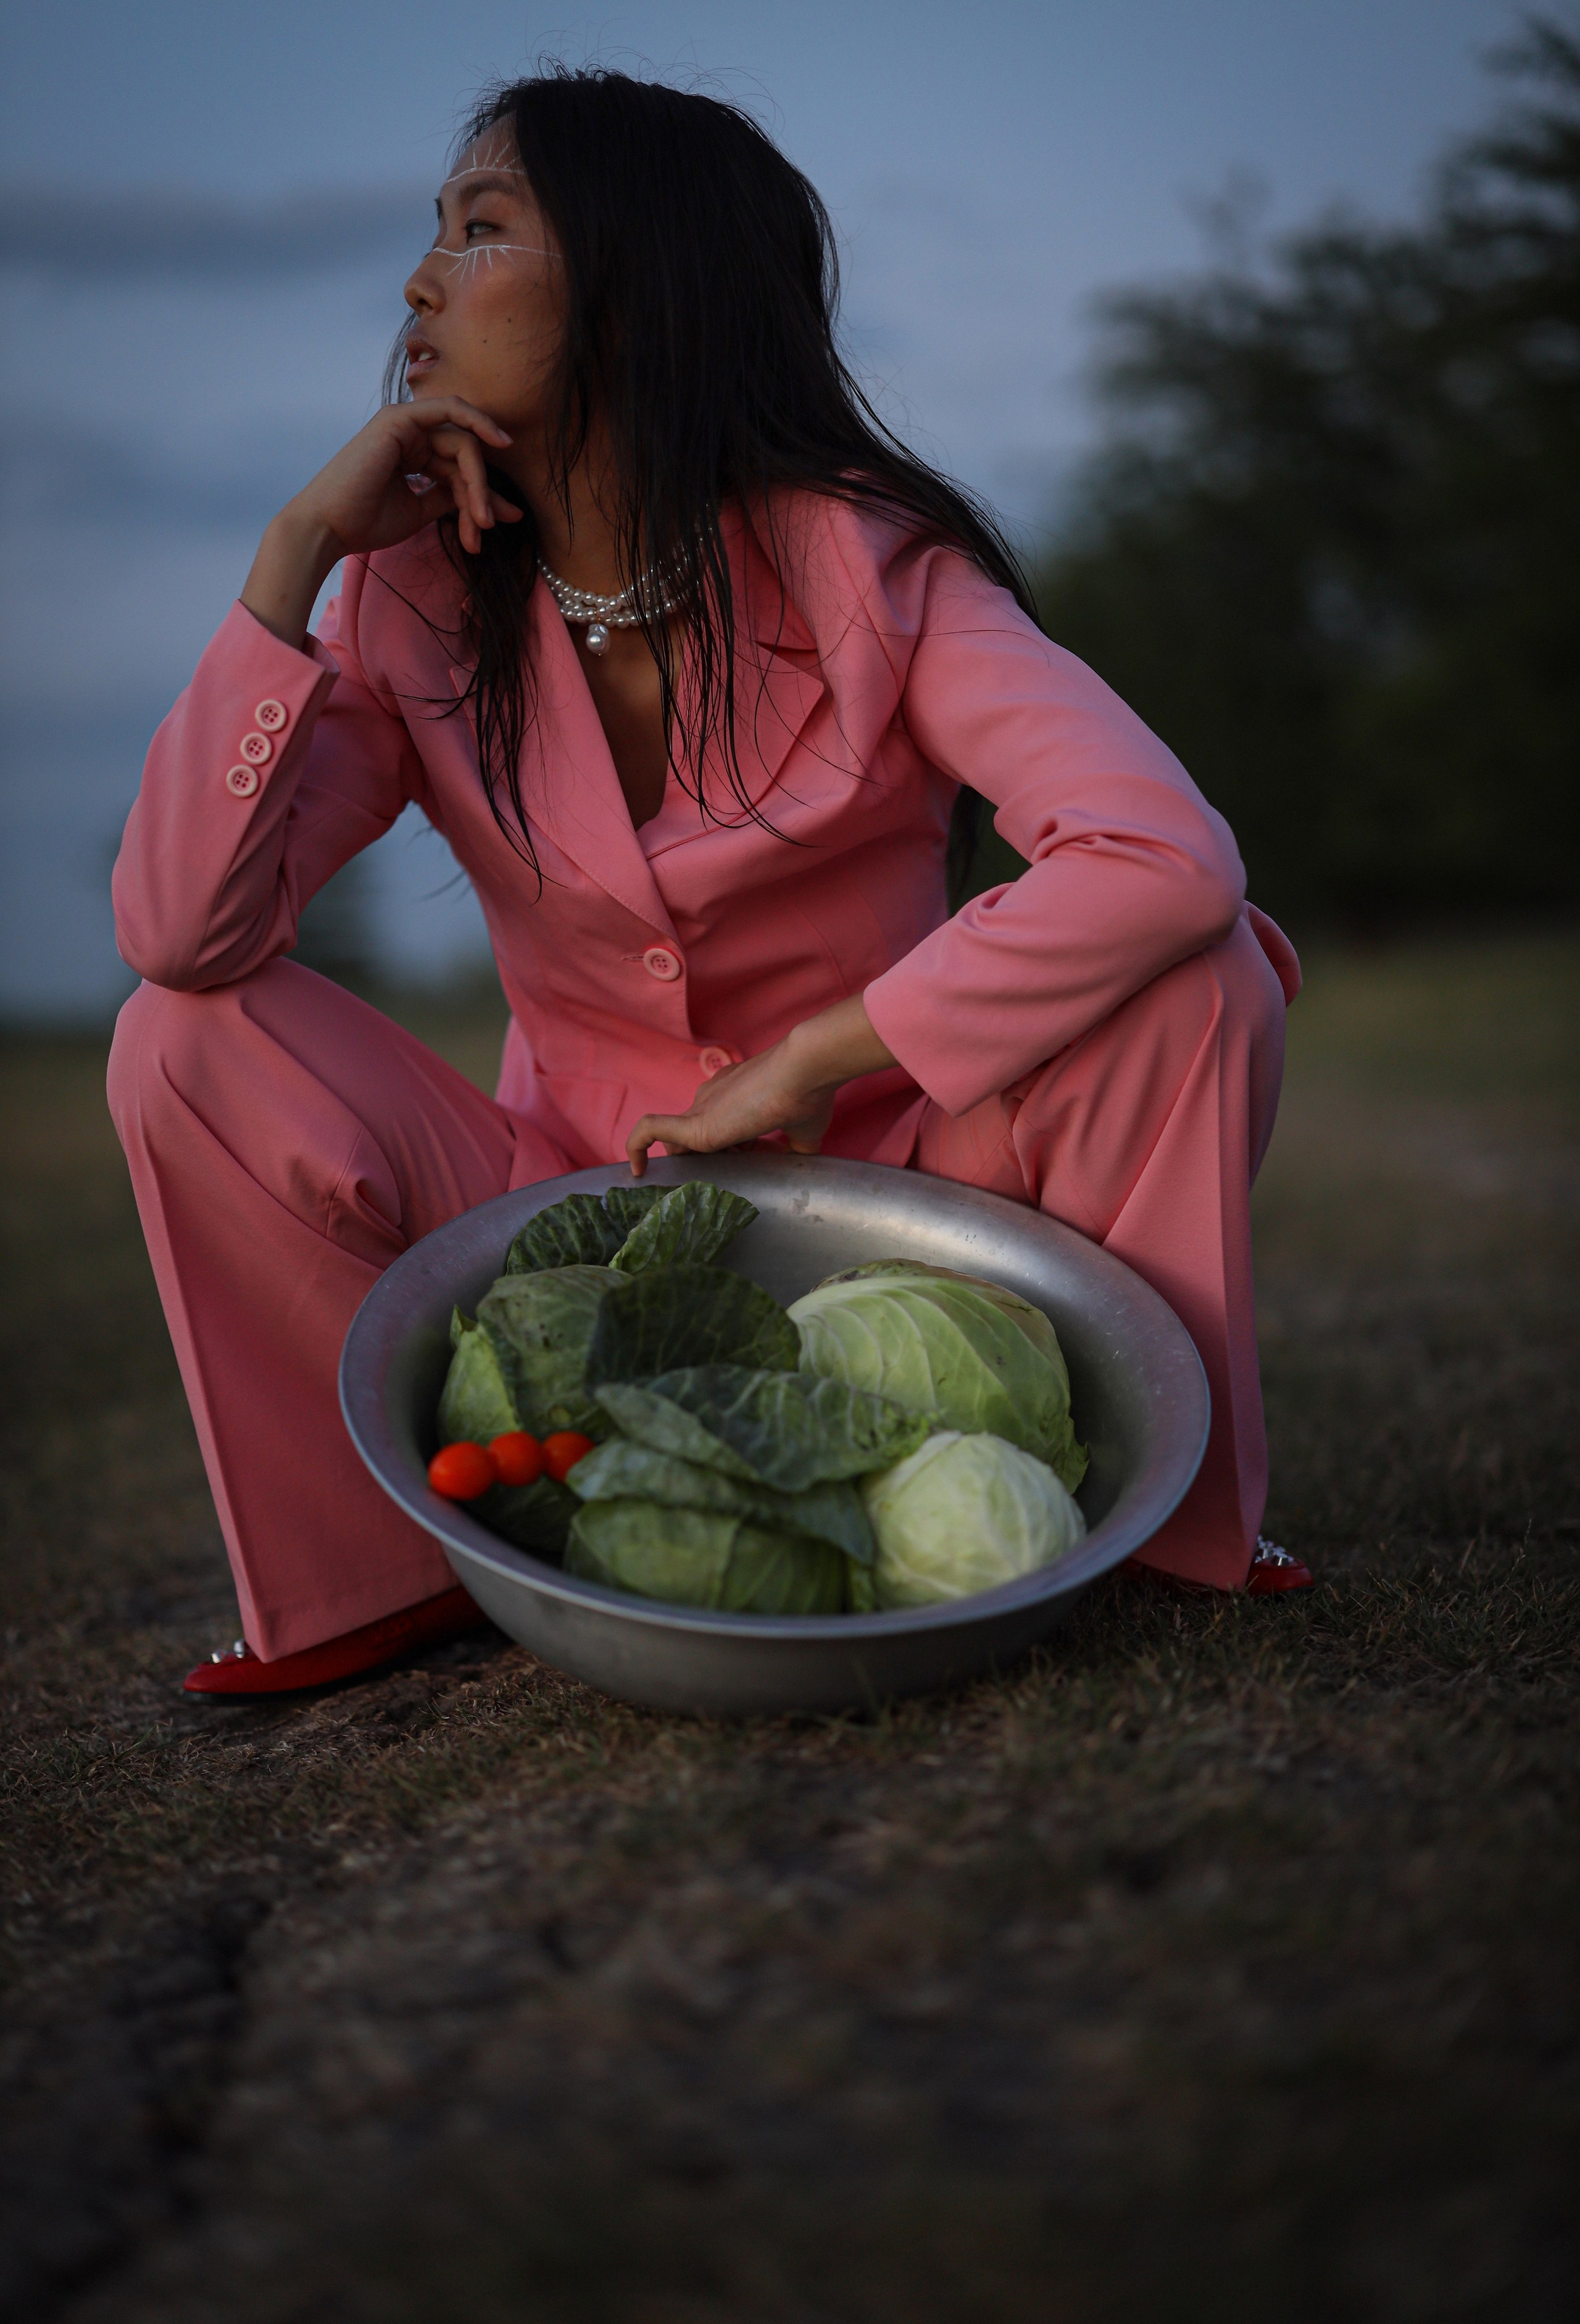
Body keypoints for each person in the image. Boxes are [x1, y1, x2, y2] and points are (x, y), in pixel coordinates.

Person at [107, 67, 1311, 1699]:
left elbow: (1166, 859)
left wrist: (818, 1056)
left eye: (480, 229)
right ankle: (389, 1566)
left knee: (1201, 968)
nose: (419, 281)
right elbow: (183, 932)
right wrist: (290, 565)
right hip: (568, 1226)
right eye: (433, 235)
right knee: (181, 1041)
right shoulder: (411, 605)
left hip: (901, 1210)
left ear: (631, 286)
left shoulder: (873, 566)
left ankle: (1150, 1518)